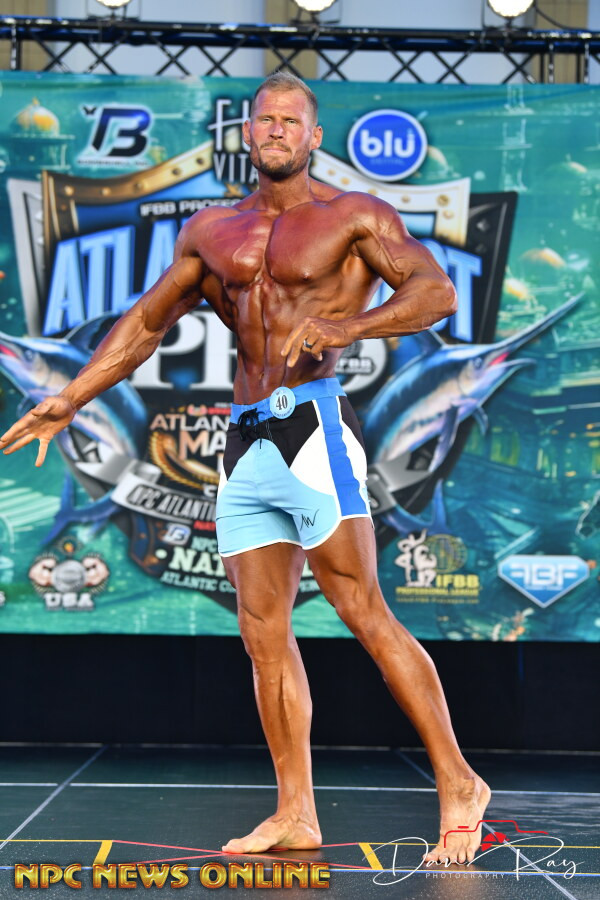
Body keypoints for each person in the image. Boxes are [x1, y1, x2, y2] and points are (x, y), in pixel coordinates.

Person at [1, 72, 490, 864]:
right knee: (263, 634)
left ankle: (460, 781)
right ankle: (296, 811)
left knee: (364, 610)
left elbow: (435, 293)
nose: (276, 130)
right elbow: (146, 321)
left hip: (314, 427)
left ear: (314, 136)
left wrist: (349, 327)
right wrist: (69, 398)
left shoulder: (353, 216)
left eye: (291, 120)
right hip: (245, 440)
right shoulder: (212, 230)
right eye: (265, 119)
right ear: (248, 133)